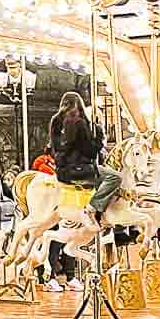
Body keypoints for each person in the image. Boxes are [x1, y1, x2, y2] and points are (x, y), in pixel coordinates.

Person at [47, 91, 122, 224]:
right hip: (82, 170)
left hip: (63, 170)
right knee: (115, 178)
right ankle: (93, 209)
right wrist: (98, 137)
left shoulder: (56, 121)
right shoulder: (79, 124)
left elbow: (56, 147)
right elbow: (90, 152)